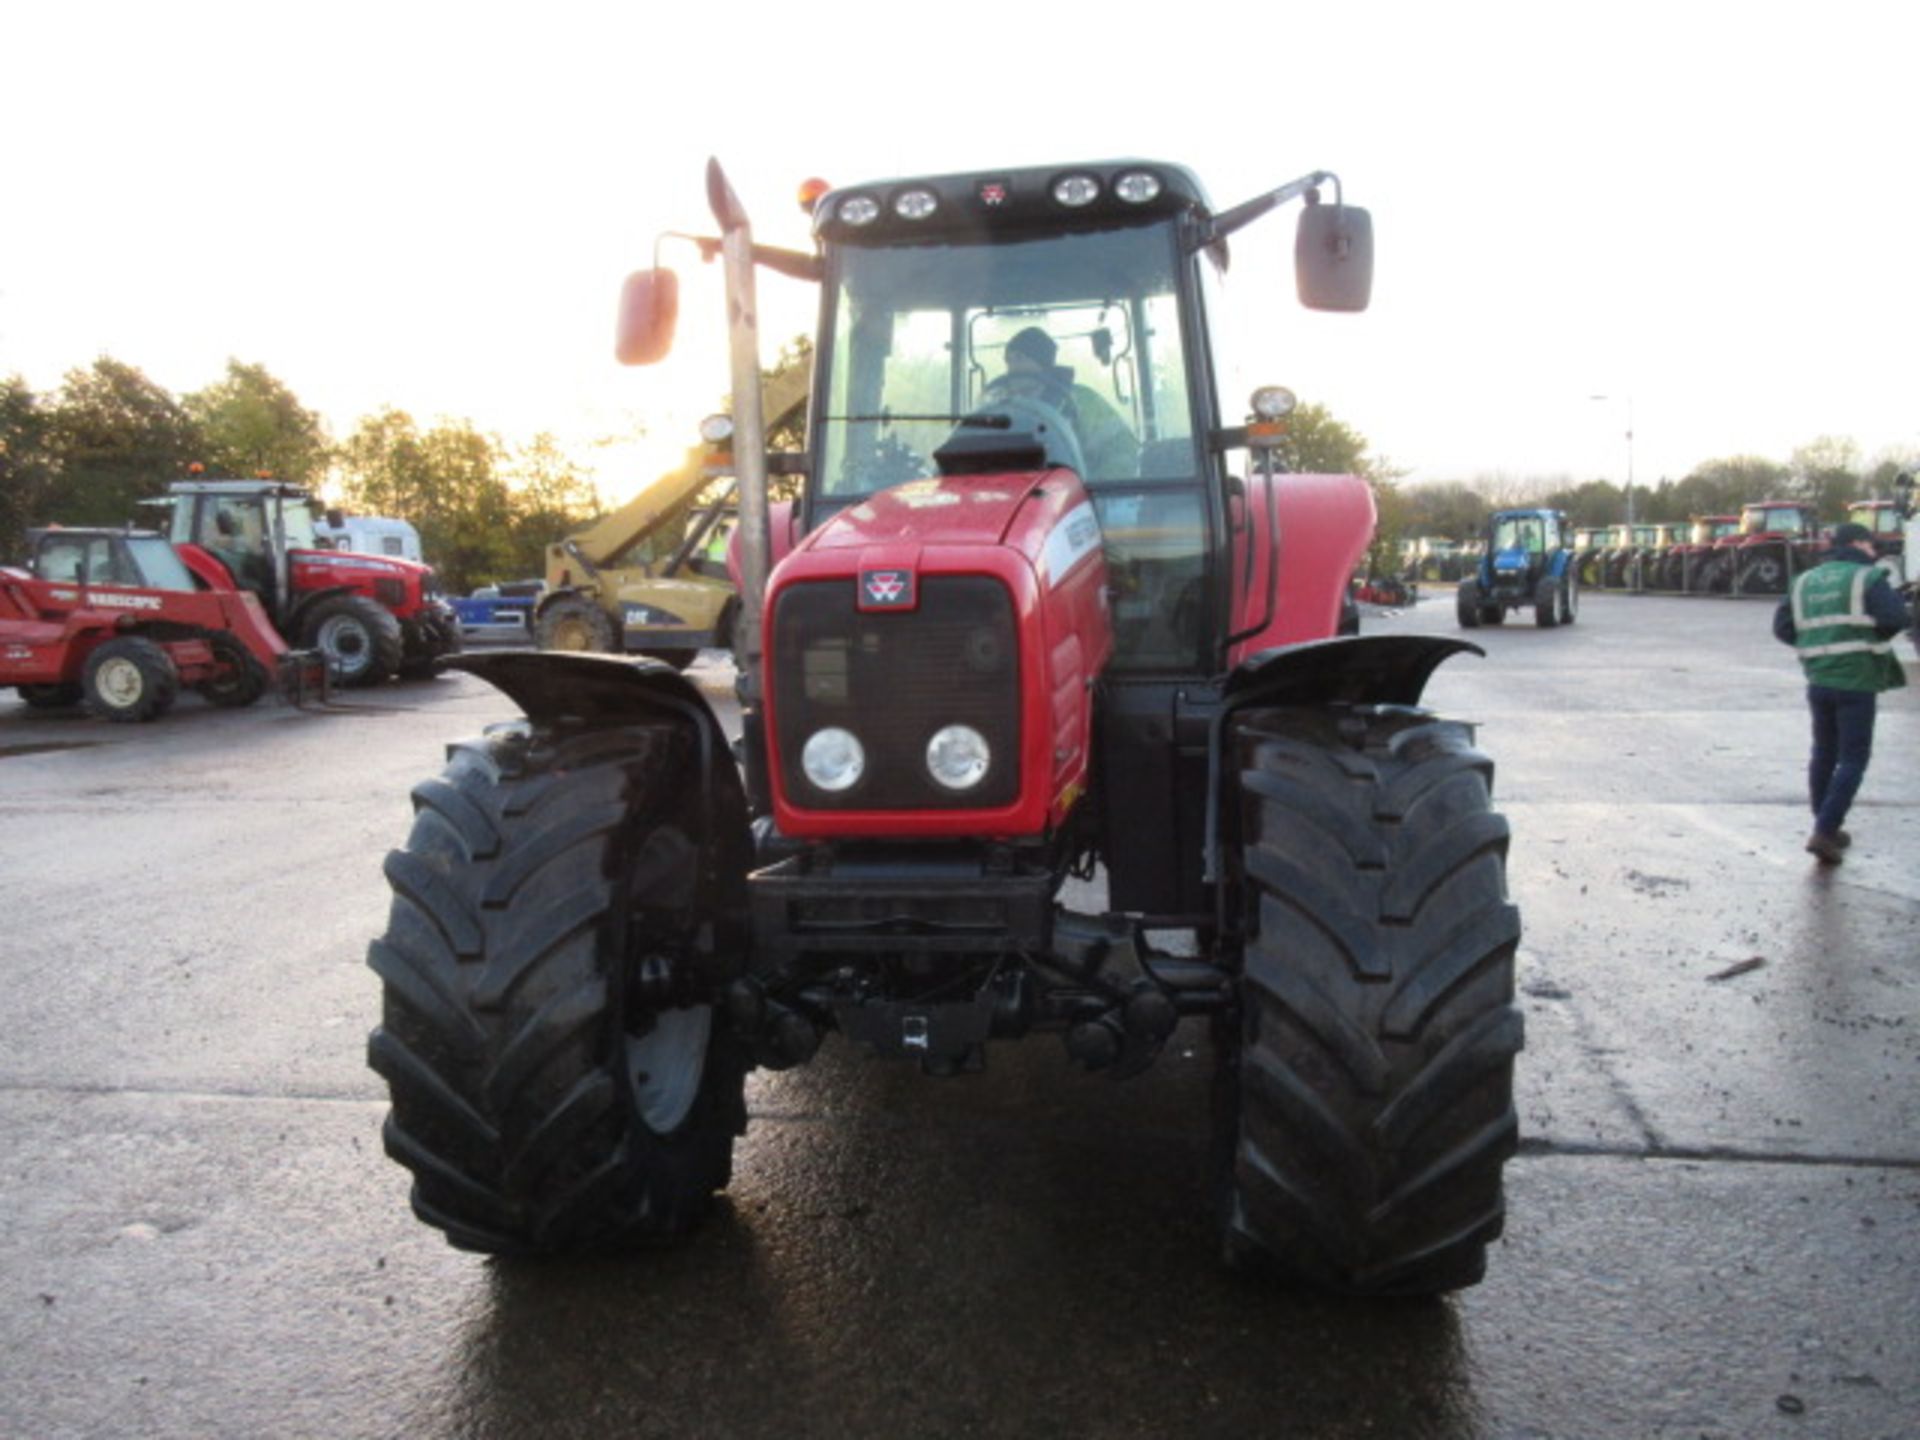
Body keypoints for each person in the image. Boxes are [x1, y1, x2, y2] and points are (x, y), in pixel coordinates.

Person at [1772, 521, 1913, 864]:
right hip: (1857, 679)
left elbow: (1783, 627)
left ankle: (1826, 824)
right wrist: (1867, 639)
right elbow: (1896, 617)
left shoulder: (1804, 580)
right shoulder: (1867, 577)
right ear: (1859, 544)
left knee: (1824, 751)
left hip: (1818, 678)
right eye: (1872, 546)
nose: (1875, 552)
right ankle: (1825, 829)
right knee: (1853, 757)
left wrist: (1820, 646)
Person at [991, 326, 1139, 479]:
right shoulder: (997, 406)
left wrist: (1093, 491)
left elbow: (1123, 450)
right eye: (1008, 360)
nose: (1011, 367)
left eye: (1019, 358)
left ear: (1041, 362)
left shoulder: (1082, 401)